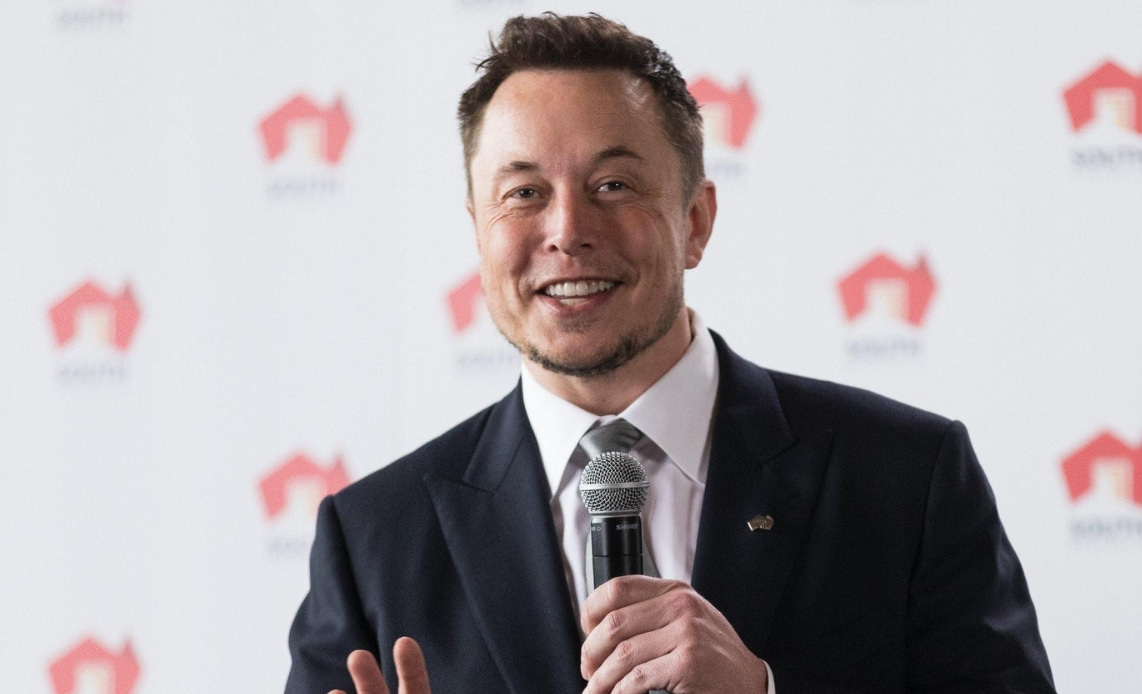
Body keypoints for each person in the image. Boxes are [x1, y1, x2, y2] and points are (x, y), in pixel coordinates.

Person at [286, 13, 1055, 694]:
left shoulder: (906, 475)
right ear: (477, 232)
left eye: (613, 184)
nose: (567, 230)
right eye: (522, 193)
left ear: (695, 221)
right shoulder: (372, 538)